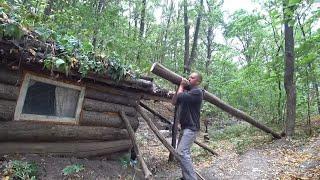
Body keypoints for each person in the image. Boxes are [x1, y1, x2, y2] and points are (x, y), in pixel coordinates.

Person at [172, 72, 203, 180]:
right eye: (189, 76)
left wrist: (181, 86)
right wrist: (181, 87)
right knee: (182, 153)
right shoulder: (188, 91)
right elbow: (174, 101)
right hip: (185, 127)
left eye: (192, 77)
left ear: (198, 81)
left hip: (191, 127)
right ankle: (186, 177)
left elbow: (180, 97)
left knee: (181, 152)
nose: (189, 78)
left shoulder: (197, 92)